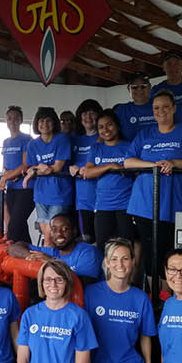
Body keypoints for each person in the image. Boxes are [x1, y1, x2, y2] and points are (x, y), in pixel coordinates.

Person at [123, 91, 182, 281]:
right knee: (151, 254)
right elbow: (128, 162)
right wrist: (153, 166)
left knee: (171, 254)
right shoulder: (145, 134)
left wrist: (174, 162)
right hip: (144, 205)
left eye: (166, 106)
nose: (161, 111)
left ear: (174, 108)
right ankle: (153, 300)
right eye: (156, 108)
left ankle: (167, 296)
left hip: (174, 203)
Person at [81, 110, 135, 255]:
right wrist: (110, 166)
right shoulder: (96, 148)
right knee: (102, 248)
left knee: (126, 249)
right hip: (103, 206)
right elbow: (88, 172)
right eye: (101, 127)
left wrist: (103, 169)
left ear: (117, 126)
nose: (105, 130)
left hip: (126, 206)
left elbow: (135, 171)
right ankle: (105, 277)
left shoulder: (129, 146)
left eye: (109, 125)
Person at [24, 107, 73, 245]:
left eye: (48, 120)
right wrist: (40, 169)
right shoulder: (33, 144)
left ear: (54, 123)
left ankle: (50, 263)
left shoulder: (62, 139)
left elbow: (57, 167)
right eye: (41, 120)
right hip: (40, 194)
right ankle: (47, 262)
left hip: (60, 193)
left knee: (54, 235)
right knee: (47, 235)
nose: (44, 124)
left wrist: (36, 170)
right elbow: (29, 168)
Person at [7, 212, 102, 281]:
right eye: (54, 229)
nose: (59, 234)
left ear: (74, 231)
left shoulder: (87, 252)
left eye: (64, 229)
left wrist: (52, 262)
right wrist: (31, 256)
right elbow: (13, 247)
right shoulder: (52, 252)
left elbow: (83, 284)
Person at [113, 72, 182, 141]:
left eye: (143, 86)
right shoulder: (121, 110)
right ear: (128, 89)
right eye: (134, 87)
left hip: (161, 153)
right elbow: (105, 128)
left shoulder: (162, 104)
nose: (139, 90)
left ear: (150, 87)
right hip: (132, 156)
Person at [0, 105, 35, 243]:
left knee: (13, 227)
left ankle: (10, 256)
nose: (12, 122)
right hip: (12, 189)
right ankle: (29, 256)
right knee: (20, 227)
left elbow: (26, 165)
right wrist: (6, 173)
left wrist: (8, 176)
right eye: (9, 119)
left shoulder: (26, 139)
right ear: (6, 121)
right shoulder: (6, 142)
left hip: (26, 189)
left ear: (20, 121)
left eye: (15, 119)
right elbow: (4, 166)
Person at [70, 98, 104, 242]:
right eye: (84, 113)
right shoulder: (75, 139)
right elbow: (66, 163)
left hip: (102, 197)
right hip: (82, 198)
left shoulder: (104, 138)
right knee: (87, 238)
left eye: (92, 113)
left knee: (103, 239)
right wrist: (71, 167)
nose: (88, 117)